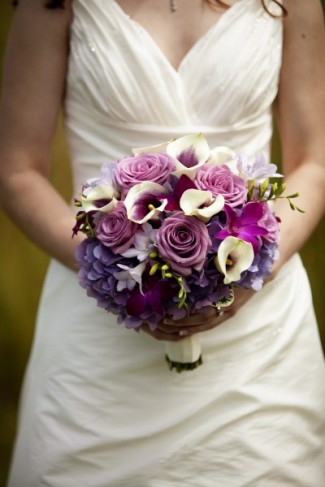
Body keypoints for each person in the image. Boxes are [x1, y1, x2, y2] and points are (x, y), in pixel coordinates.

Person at [1, 0, 325, 485]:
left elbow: (314, 163)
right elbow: (16, 170)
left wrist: (255, 269)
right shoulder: (53, 4)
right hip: (98, 339)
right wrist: (112, 273)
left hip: (260, 335)